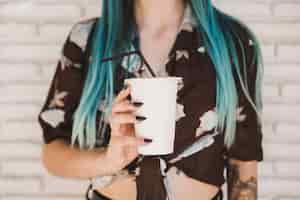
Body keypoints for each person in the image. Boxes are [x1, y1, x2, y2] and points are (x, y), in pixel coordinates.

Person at [38, 0, 264, 200]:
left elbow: (243, 160)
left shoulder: (233, 42)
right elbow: (52, 152)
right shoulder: (87, 40)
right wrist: (107, 160)